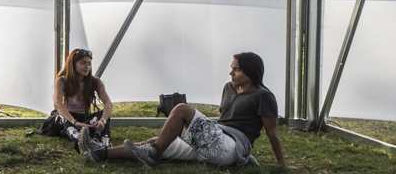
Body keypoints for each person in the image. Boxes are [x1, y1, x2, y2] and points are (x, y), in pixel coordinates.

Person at [78, 52, 301, 170]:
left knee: (181, 109)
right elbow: (226, 120)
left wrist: (282, 166)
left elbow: (272, 133)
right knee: (157, 140)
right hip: (213, 142)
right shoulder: (229, 88)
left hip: (229, 147)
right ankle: (100, 152)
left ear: (251, 72)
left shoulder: (264, 96)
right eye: (231, 68)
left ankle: (151, 156)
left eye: (237, 69)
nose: (231, 73)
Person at [39, 47, 114, 151]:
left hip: (84, 119)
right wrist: (74, 122)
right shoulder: (62, 81)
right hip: (67, 119)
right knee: (62, 117)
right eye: (83, 63)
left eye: (89, 63)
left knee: (103, 116)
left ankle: (105, 144)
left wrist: (102, 121)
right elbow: (57, 104)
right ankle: (80, 142)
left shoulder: (95, 81)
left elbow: (108, 104)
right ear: (73, 64)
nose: (87, 67)